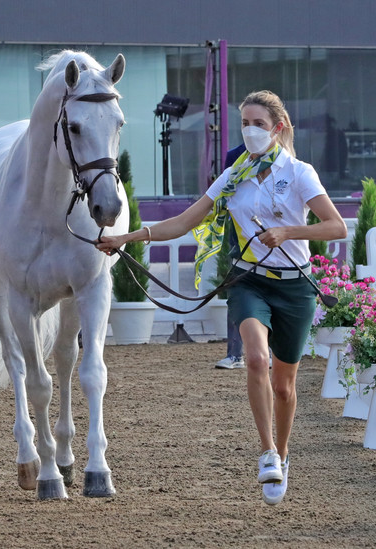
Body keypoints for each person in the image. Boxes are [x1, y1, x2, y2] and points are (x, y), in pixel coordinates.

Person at [98, 91, 347, 505]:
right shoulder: (233, 175)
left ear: (278, 129)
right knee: (253, 357)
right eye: (245, 123)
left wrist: (287, 231)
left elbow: (336, 227)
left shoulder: (299, 172)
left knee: (285, 386)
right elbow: (183, 221)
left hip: (294, 286)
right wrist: (128, 237)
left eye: (258, 124)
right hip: (248, 280)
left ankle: (283, 456)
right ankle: (267, 451)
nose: (250, 131)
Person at [215, 143, 246, 370]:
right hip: (240, 236)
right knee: (236, 292)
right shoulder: (234, 156)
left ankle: (274, 352)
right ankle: (235, 353)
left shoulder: (285, 158)